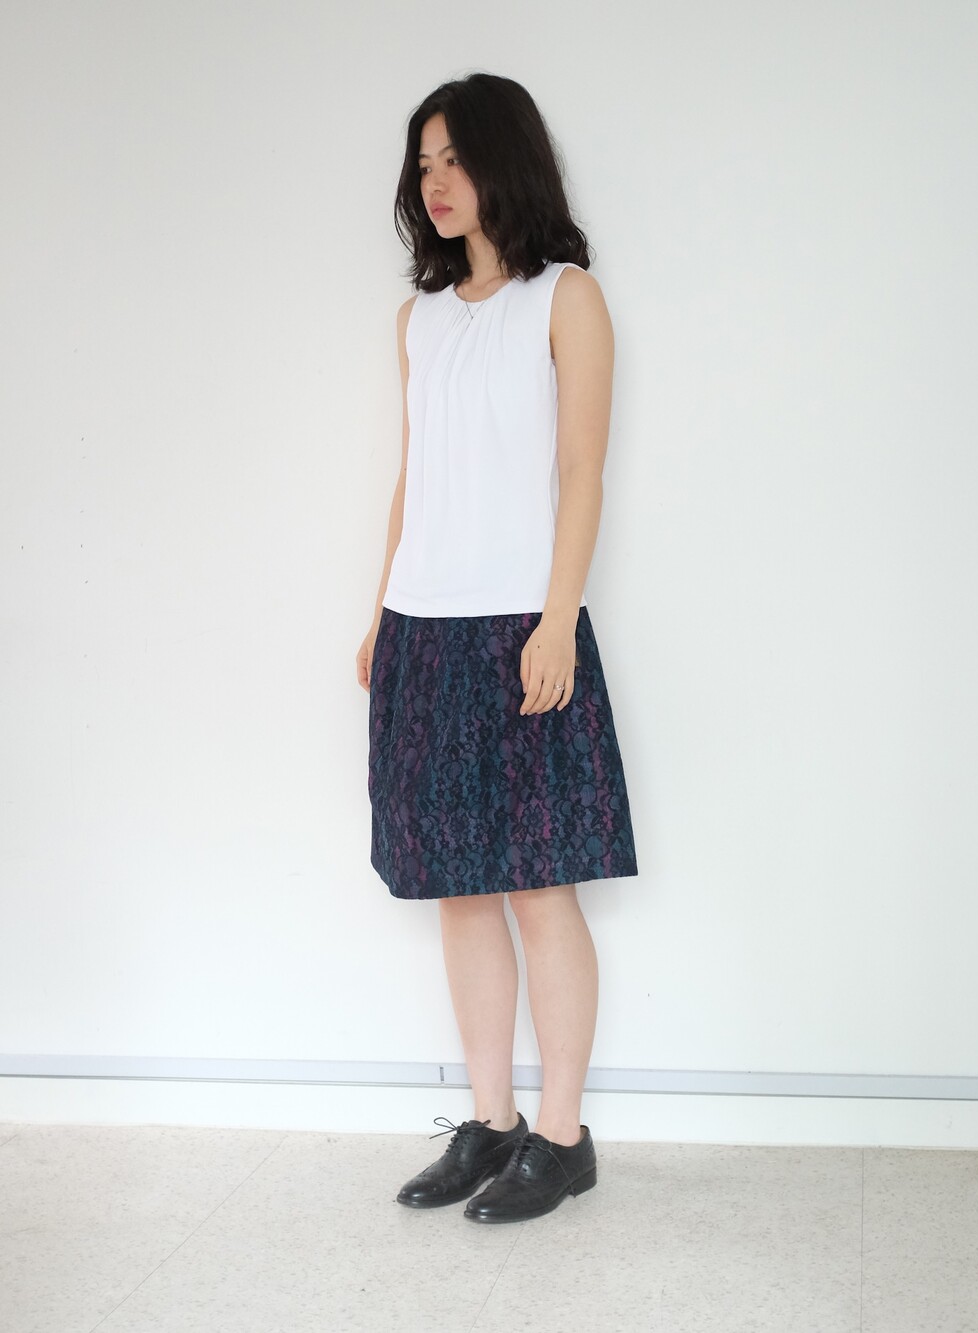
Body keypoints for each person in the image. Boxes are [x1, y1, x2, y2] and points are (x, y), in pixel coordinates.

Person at [356, 72, 638, 1225]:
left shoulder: (567, 297)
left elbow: (582, 471)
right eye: (422, 162)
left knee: (536, 882)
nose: (435, 182)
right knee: (457, 889)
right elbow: (415, 477)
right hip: (421, 626)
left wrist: (557, 618)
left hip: (522, 624)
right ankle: (489, 1120)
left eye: (455, 158)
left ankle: (562, 1137)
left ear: (504, 161)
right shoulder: (419, 320)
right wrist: (380, 612)